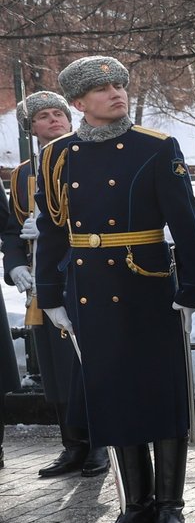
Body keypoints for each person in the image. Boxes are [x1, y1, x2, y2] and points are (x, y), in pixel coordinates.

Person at [34, 56, 195, 523]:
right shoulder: (56, 157)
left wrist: (194, 287)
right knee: (112, 393)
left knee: (162, 392)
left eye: (119, 85)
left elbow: (186, 223)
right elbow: (53, 229)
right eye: (101, 88)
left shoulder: (155, 147)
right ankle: (136, 506)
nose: (116, 94)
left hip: (148, 284)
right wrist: (48, 292)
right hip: (89, 288)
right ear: (78, 103)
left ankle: (170, 508)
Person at [7, 93, 95, 475]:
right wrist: (14, 265)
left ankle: (98, 444)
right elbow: (12, 229)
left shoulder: (86, 155)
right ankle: (72, 444)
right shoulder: (22, 173)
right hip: (40, 279)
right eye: (44, 116)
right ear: (32, 127)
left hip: (78, 272)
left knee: (81, 364)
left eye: (59, 113)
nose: (54, 120)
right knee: (55, 369)